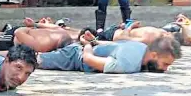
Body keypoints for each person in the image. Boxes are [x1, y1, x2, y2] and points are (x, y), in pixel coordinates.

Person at [38, 36, 182, 74]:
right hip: (74, 57)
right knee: (35, 60)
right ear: (155, 55)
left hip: (84, 48)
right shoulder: (127, 64)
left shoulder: (142, 47)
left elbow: (113, 45)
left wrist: (93, 41)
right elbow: (88, 60)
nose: (165, 69)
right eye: (165, 64)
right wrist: (86, 44)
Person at [78, 21, 184, 46]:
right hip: (116, 30)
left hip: (112, 36)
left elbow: (124, 40)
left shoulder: (152, 39)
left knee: (82, 35)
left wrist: (130, 27)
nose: (166, 33)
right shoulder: (162, 31)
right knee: (82, 33)